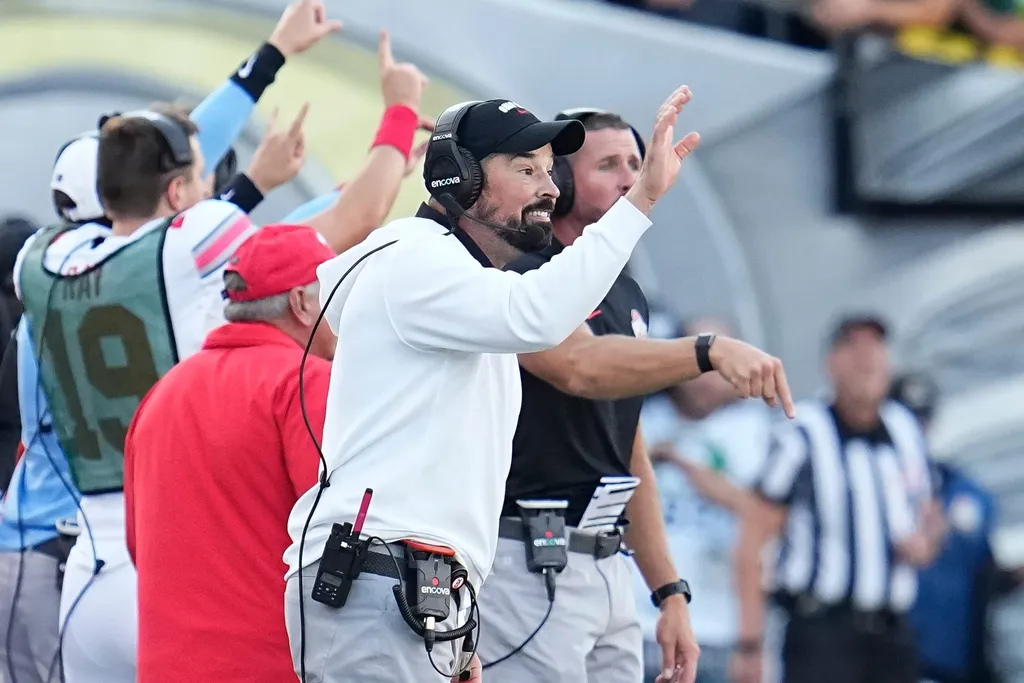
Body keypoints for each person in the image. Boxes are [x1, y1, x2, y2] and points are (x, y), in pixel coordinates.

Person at [12, 9, 430, 683]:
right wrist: (400, 113)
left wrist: (269, 58)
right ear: (178, 190)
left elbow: (157, 165)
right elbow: (349, 220)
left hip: (83, 571)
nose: (216, 184)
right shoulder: (190, 243)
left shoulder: (44, 256)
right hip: (169, 571)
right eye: (203, 176)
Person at [283, 87, 705, 683]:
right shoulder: (416, 259)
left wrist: (457, 618)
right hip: (382, 576)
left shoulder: (455, 278)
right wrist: (644, 198)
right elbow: (541, 315)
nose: (550, 188)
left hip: (415, 584)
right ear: (459, 177)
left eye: (548, 170)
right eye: (525, 169)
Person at [0, 12, 301, 677]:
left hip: (74, 553)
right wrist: (260, 174)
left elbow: (169, 176)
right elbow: (194, 194)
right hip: (152, 549)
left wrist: (271, 55)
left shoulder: (38, 261)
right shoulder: (175, 255)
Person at [473, 107, 794, 683]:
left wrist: (669, 592)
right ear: (560, 181)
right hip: (525, 558)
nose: (632, 179)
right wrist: (706, 351)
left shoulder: (626, 291)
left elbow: (631, 450)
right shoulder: (524, 273)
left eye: (636, 163)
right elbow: (579, 367)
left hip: (609, 561)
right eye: (610, 165)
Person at [123, 225, 335, 683]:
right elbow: (338, 546)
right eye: (335, 293)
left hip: (164, 668)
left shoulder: (163, 391)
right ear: (302, 304)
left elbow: (139, 546)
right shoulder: (307, 380)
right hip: (271, 667)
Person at [732, 315, 947, 683]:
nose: (867, 360)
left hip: (891, 631)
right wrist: (751, 642)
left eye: (876, 348)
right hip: (822, 630)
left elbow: (931, 511)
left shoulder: (906, 429)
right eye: (853, 347)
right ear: (830, 363)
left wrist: (926, 542)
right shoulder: (801, 434)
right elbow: (753, 537)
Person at [630, 316, 775, 683]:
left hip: (717, 626)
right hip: (636, 621)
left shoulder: (756, 431)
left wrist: (708, 481)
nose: (709, 374)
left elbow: (772, 522)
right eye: (701, 356)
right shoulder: (639, 414)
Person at [893, 372, 1022, 683]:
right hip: (892, 663)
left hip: (962, 666)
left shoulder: (965, 493)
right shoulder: (863, 495)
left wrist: (1012, 576)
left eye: (921, 421)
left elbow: (982, 575)